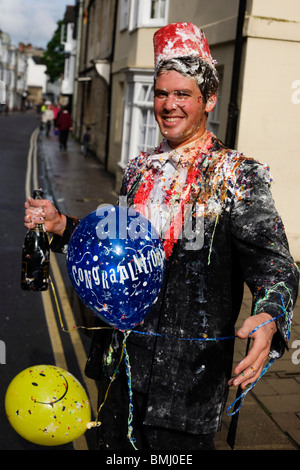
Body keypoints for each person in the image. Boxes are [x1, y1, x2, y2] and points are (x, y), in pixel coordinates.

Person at [24, 22, 299, 450]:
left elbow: (274, 264)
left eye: (182, 94)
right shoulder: (139, 171)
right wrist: (63, 227)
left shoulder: (237, 175)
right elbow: (114, 246)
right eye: (161, 93)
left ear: (208, 99)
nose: (168, 105)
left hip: (187, 386)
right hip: (119, 374)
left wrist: (269, 314)